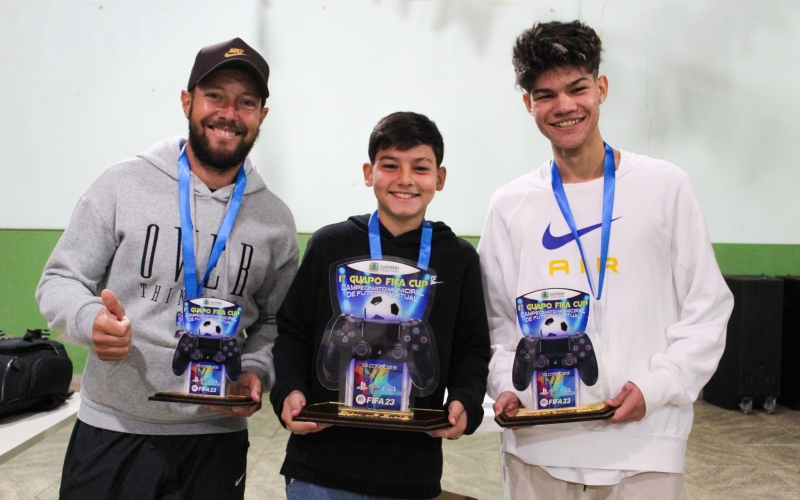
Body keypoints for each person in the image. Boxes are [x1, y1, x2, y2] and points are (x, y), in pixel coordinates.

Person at [479, 21, 734, 499]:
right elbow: (494, 321)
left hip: (646, 443)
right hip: (539, 443)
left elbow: (708, 307)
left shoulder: (664, 186)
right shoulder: (509, 203)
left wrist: (656, 387)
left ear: (601, 88)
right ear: (528, 104)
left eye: (577, 89)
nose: (564, 106)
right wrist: (503, 385)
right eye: (545, 94)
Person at [36, 38, 298, 499]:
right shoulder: (121, 185)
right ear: (187, 101)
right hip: (114, 427)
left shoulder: (274, 220)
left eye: (246, 102)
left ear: (261, 116)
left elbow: (277, 320)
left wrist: (256, 369)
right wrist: (88, 320)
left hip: (214, 436)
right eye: (215, 95)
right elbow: (60, 279)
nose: (228, 113)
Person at [270, 112, 491, 499]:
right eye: (391, 166)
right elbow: (294, 332)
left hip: (411, 469)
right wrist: (288, 389)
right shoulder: (329, 245)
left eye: (420, 168)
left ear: (439, 178)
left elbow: (472, 348)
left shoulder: (458, 258)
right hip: (321, 467)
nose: (405, 179)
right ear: (369, 172)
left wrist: (466, 402)